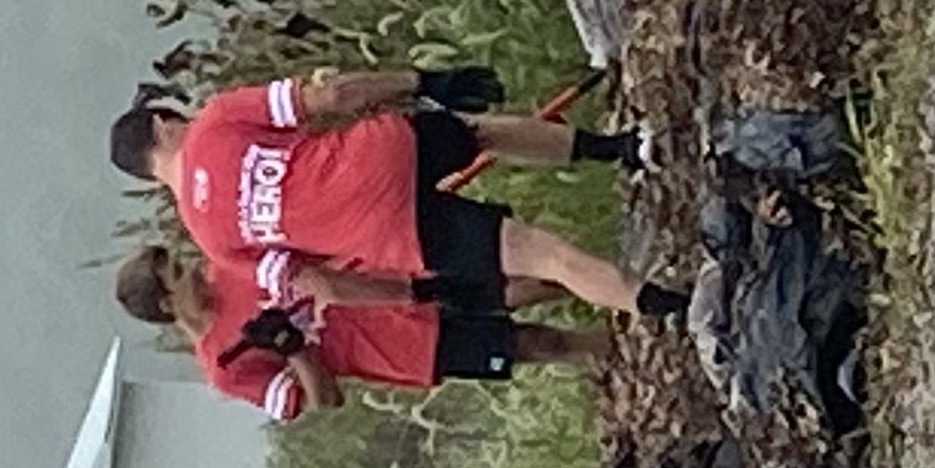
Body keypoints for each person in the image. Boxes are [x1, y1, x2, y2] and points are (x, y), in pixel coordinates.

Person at [106, 67, 677, 328]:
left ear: (148, 176)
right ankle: (623, 148)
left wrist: (411, 291)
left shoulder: (215, 244)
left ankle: (675, 307)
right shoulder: (216, 119)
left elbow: (323, 285)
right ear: (162, 124)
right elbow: (326, 96)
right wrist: (423, 82)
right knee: (479, 131)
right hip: (382, 153)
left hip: (396, 235)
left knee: (545, 255)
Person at [110, 240, 608, 417]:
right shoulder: (223, 367)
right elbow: (324, 401)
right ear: (165, 304)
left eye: (183, 261)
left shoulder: (227, 266)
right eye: (179, 275)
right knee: (527, 343)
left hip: (394, 281)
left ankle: (614, 290)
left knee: (515, 282)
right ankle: (609, 348)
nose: (194, 269)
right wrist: (294, 348)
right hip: (398, 347)